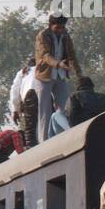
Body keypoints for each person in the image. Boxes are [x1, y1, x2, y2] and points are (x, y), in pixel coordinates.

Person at [33, 12, 81, 145]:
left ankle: (64, 137)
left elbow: (72, 55)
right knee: (45, 110)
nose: (60, 30)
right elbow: (45, 55)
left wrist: (79, 75)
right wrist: (58, 63)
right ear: (50, 25)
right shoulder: (42, 36)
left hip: (60, 75)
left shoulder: (65, 35)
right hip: (44, 76)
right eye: (57, 28)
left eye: (62, 27)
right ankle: (43, 142)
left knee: (64, 108)